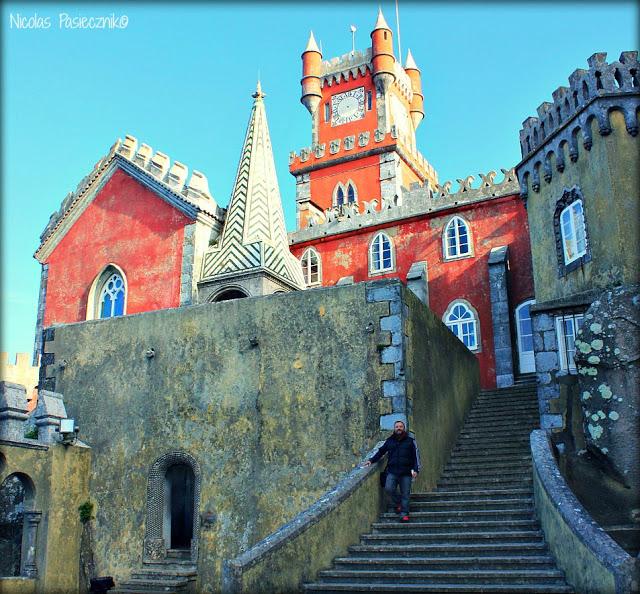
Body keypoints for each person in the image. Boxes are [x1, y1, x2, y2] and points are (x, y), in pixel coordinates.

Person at [363, 420, 420, 522]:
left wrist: (416, 469)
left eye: (401, 427)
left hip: (406, 472)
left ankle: (404, 514)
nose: (399, 428)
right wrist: (371, 460)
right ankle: (399, 503)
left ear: (404, 428)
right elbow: (381, 451)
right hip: (392, 471)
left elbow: (416, 456)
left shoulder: (410, 441)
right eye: (397, 427)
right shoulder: (389, 441)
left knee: (405, 493)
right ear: (394, 428)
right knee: (388, 488)